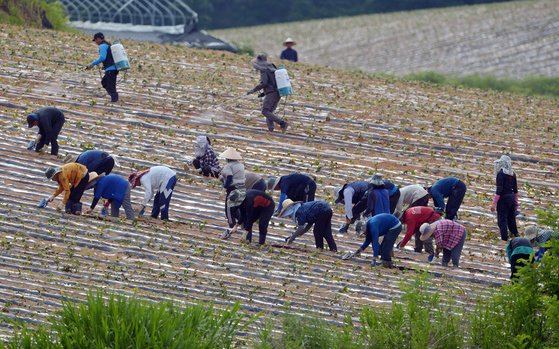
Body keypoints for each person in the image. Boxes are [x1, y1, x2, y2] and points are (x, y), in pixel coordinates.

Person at [247, 53, 288, 133]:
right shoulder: (272, 68)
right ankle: (271, 129)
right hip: (277, 92)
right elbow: (271, 82)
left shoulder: (264, 70)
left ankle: (282, 123)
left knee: (265, 111)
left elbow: (264, 83)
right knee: (269, 112)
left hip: (272, 93)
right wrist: (264, 93)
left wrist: (253, 90)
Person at [490, 155, 519, 241]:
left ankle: (504, 239)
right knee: (511, 219)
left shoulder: (501, 174)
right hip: (511, 199)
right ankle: (516, 235)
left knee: (502, 220)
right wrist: (516, 202)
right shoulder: (513, 174)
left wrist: (494, 204)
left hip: (503, 199)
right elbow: (516, 190)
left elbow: (499, 190)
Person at [85, 32, 119, 102]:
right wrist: (105, 67)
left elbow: (102, 58)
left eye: (95, 40)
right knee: (105, 82)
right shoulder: (108, 45)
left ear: (98, 39)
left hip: (111, 69)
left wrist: (92, 64)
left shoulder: (102, 46)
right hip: (113, 69)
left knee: (110, 86)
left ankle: (114, 100)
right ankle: (114, 98)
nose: (96, 42)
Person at [220, 148, 246, 228]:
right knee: (236, 208)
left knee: (229, 209)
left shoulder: (229, 166)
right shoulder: (241, 165)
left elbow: (229, 177)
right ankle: (243, 222)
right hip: (242, 187)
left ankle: (232, 226)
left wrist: (224, 190)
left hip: (233, 189)